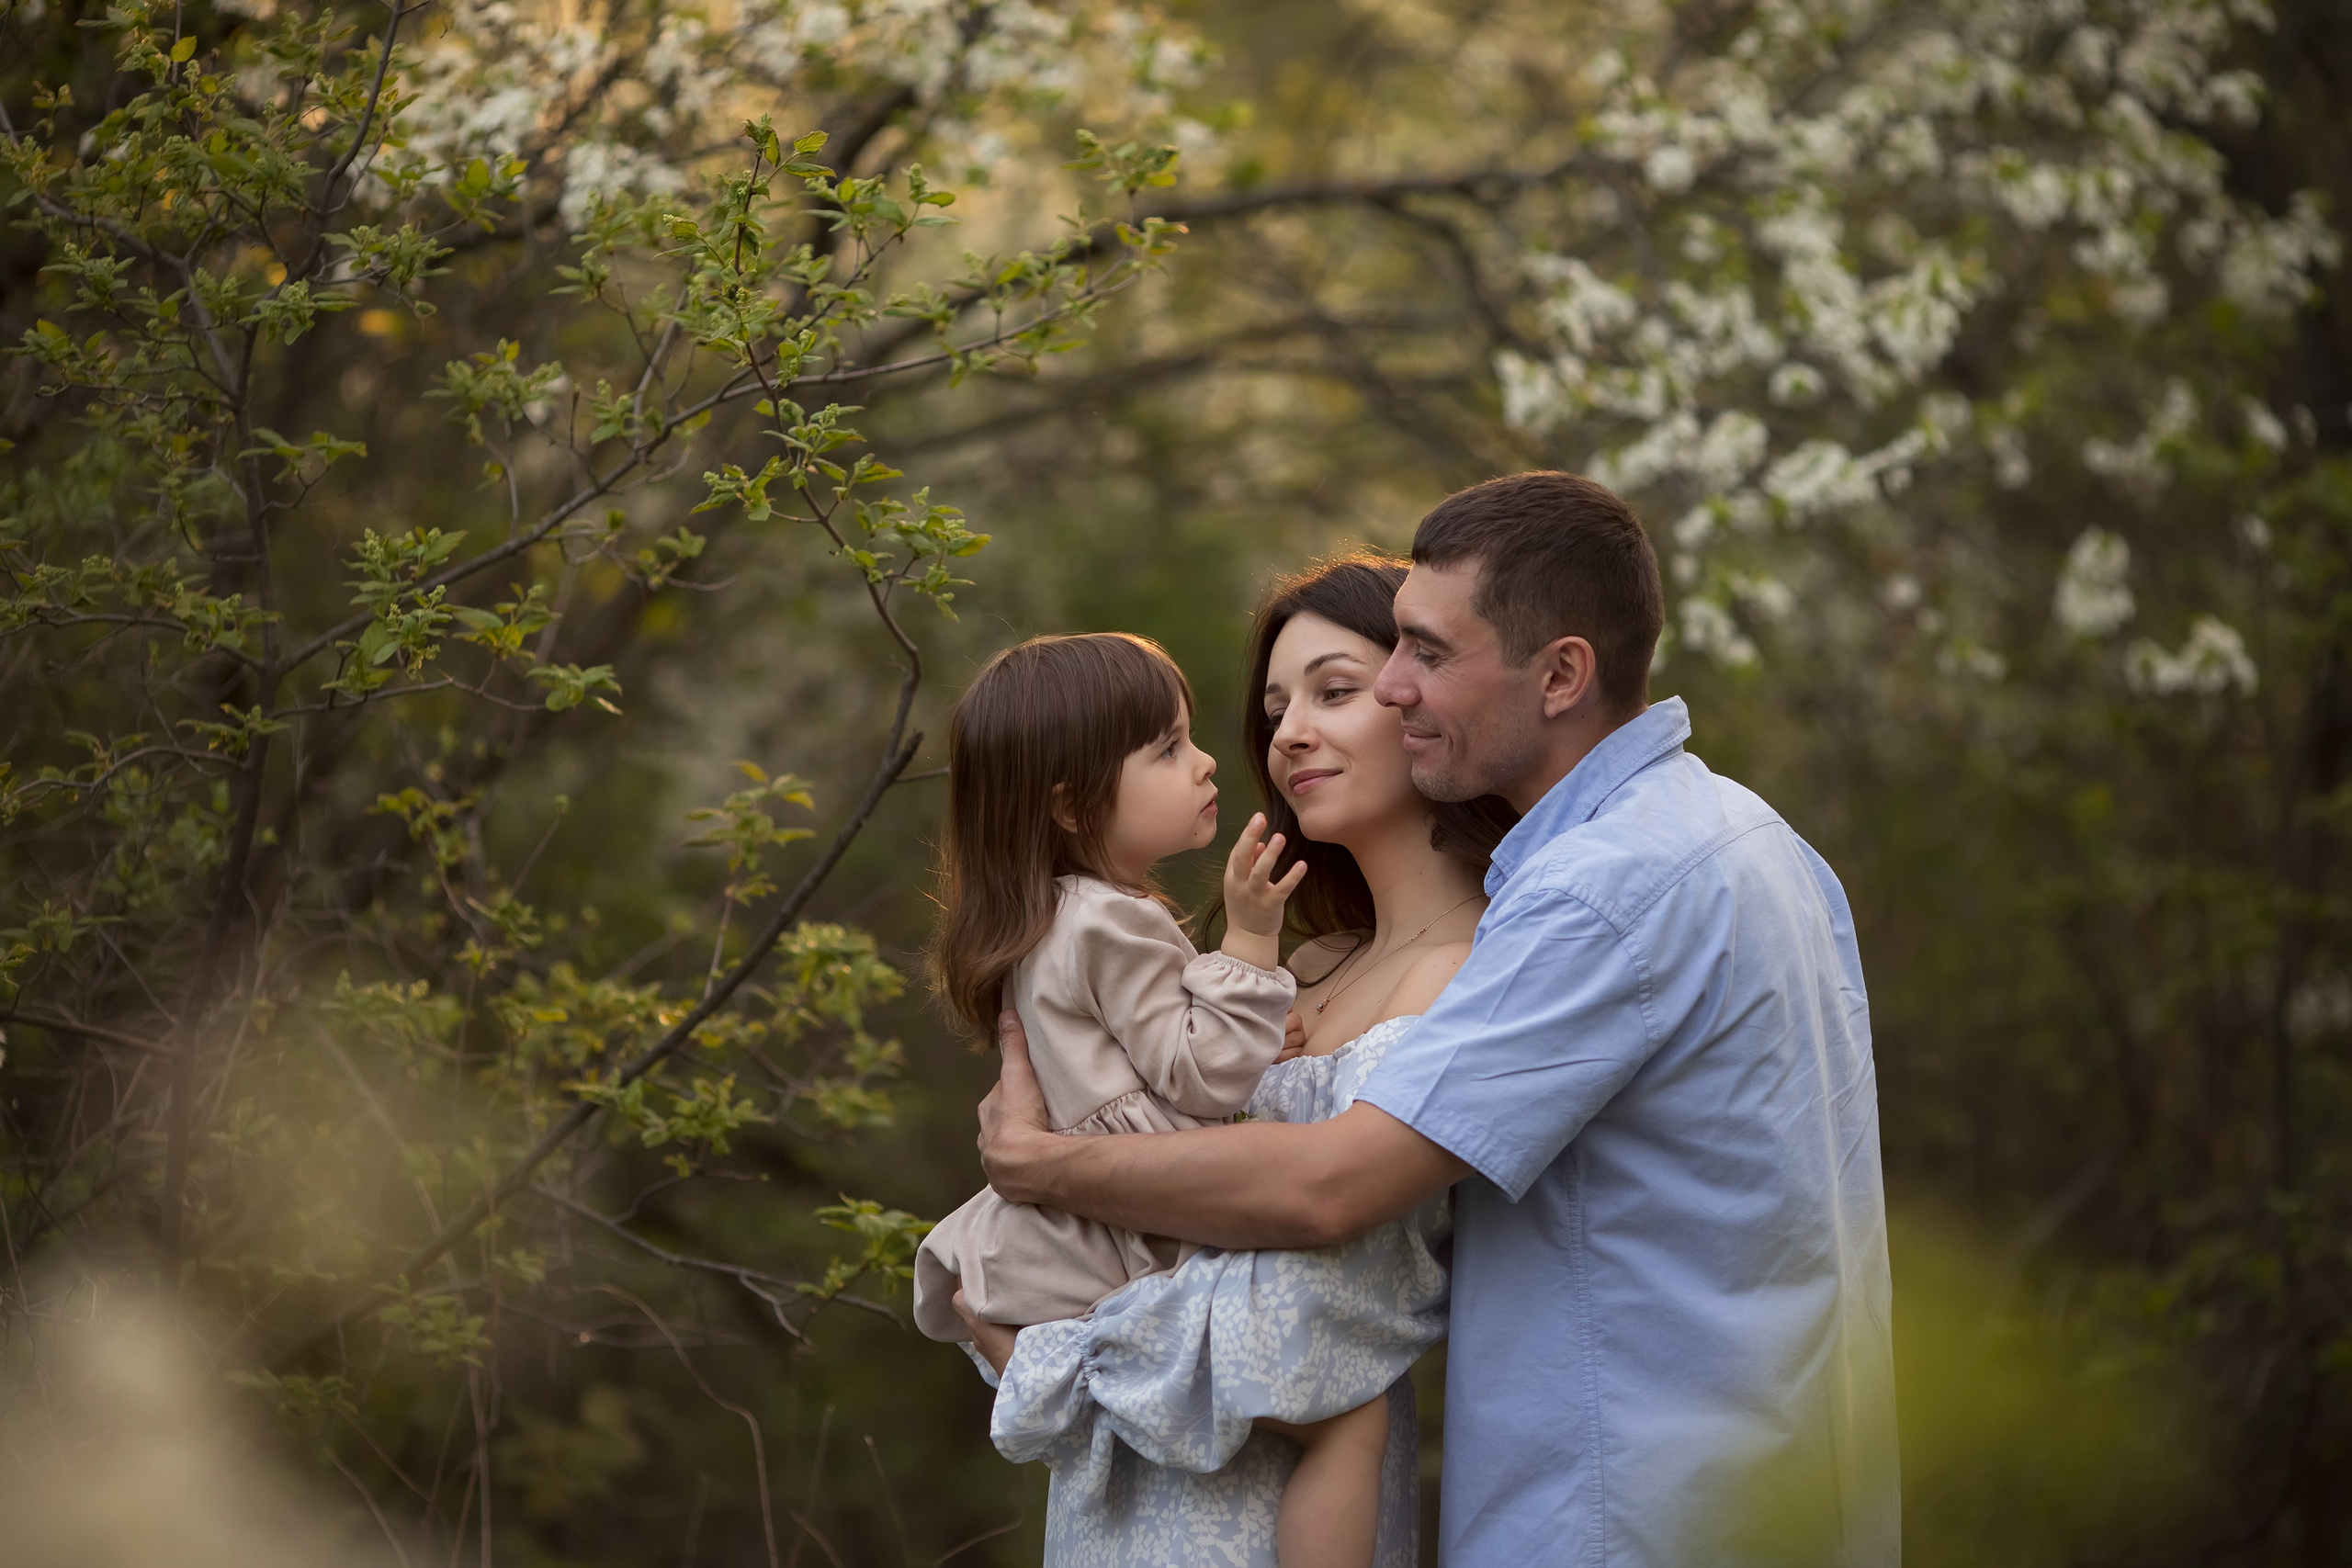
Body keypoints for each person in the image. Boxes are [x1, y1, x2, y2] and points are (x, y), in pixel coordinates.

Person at [978, 472, 1902, 1566]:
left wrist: (1040, 1171)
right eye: (1279, 706)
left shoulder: (1592, 898)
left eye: (1419, 657)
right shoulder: (1749, 840)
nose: (1397, 692)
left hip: (1627, 1510)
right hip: (1729, 1486)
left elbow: (1335, 1192)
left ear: (1560, 673)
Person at [949, 556, 1516, 1567]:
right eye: (1274, 705)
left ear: (1422, 701)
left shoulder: (1487, 969)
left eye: (1334, 691)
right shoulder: (1292, 966)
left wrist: (1056, 1352)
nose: (1285, 731)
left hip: (1275, 1492)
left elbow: (1348, 1250)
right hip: (1134, 1476)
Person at [908, 629, 1398, 1568]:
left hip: (1085, 1227)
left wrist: (1246, 1025)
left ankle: (1066, 1384)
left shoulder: (1051, 919)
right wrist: (1252, 941)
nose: (1207, 760)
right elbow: (1202, 1078)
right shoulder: (1114, 920)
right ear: (1068, 803)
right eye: (1167, 749)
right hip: (1150, 1237)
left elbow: (1170, 1058)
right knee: (1348, 1414)